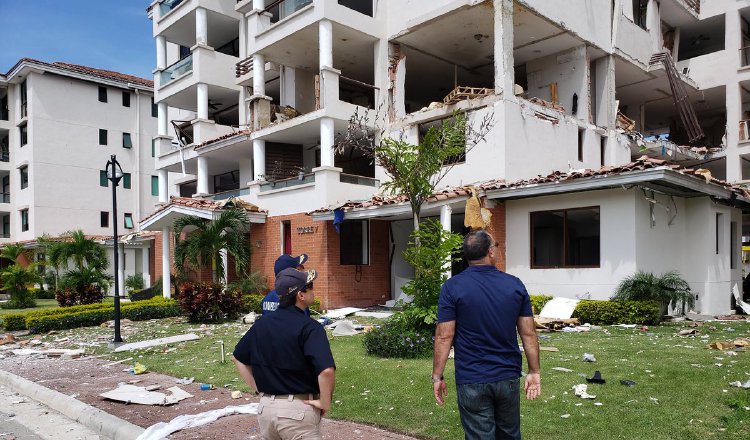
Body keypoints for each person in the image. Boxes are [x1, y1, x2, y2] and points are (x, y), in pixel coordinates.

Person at [432, 230, 540, 440]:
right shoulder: (514, 284)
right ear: (490, 252)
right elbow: (528, 333)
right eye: (497, 246)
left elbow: (444, 336)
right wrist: (534, 371)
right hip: (507, 377)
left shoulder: (452, 287)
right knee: (510, 435)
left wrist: (437, 376)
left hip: (471, 378)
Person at [233, 267, 335, 440]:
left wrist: (259, 389)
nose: (313, 291)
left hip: (266, 411)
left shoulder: (261, 324)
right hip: (298, 412)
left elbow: (238, 358)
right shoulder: (310, 327)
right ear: (300, 295)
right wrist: (325, 402)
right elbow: (326, 371)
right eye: (310, 287)